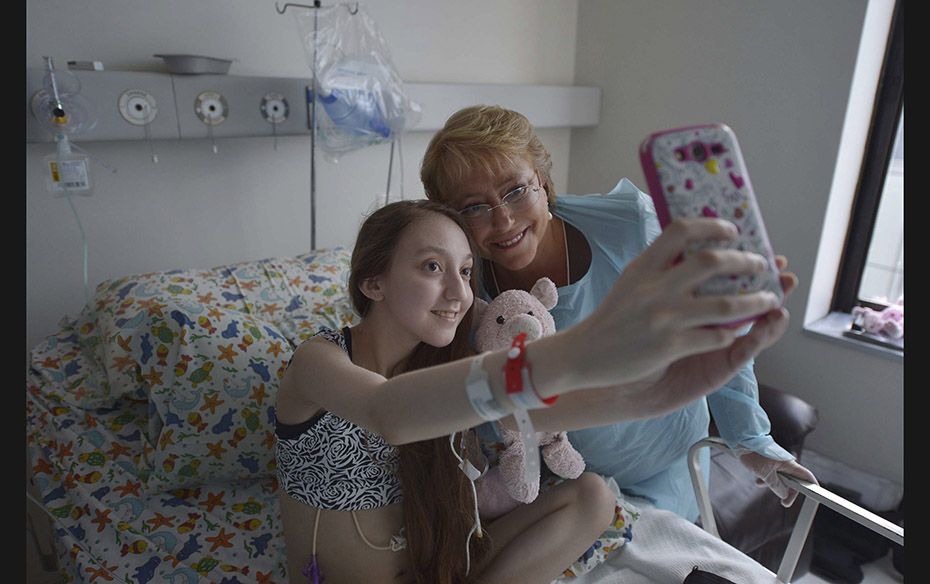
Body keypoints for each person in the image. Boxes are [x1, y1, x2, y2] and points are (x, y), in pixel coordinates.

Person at [274, 199, 789, 584]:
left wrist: (654, 394)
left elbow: (534, 414)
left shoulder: (447, 360)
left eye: (466, 271)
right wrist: (581, 349)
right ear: (373, 283)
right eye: (432, 267)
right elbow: (387, 411)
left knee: (592, 495)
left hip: (444, 570)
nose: (458, 293)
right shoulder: (319, 364)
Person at [420, 104, 816, 522]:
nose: (502, 219)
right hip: (565, 483)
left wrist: (751, 439)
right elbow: (479, 400)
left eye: (515, 190)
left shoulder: (631, 227)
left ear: (542, 180)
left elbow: (715, 324)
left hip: (665, 464)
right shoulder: (461, 288)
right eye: (474, 207)